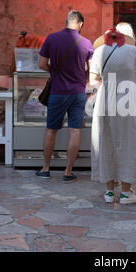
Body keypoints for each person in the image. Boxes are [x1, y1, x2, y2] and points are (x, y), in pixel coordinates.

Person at [90, 23, 136, 204]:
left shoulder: (99, 52)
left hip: (106, 97)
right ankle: (126, 192)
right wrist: (129, 77)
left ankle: (109, 192)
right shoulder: (133, 51)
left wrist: (110, 83)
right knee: (129, 141)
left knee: (107, 140)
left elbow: (93, 81)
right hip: (129, 98)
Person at [36, 10, 94, 182]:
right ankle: (68, 172)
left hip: (57, 92)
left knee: (51, 130)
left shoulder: (51, 38)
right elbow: (91, 70)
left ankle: (45, 168)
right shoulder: (86, 43)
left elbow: (41, 64)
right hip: (77, 93)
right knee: (74, 131)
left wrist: (54, 70)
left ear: (67, 21)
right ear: (80, 24)